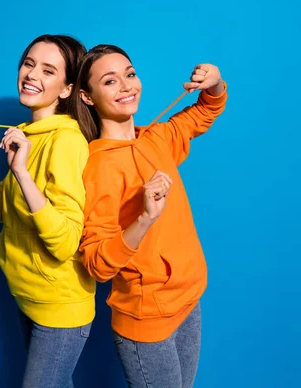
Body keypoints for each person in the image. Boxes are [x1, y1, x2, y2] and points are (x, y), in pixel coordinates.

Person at [71, 44, 227, 388]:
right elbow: (97, 264)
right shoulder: (99, 167)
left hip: (189, 300)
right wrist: (144, 217)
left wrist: (214, 81)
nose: (127, 86)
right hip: (147, 315)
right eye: (110, 81)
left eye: (129, 74)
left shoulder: (156, 137)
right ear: (87, 97)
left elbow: (205, 110)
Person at [0, 34, 96, 388]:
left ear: (66, 88)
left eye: (48, 70)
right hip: (26, 296)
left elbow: (65, 242)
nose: (31, 75)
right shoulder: (28, 134)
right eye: (29, 64)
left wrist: (22, 172)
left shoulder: (67, 141)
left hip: (59, 306)